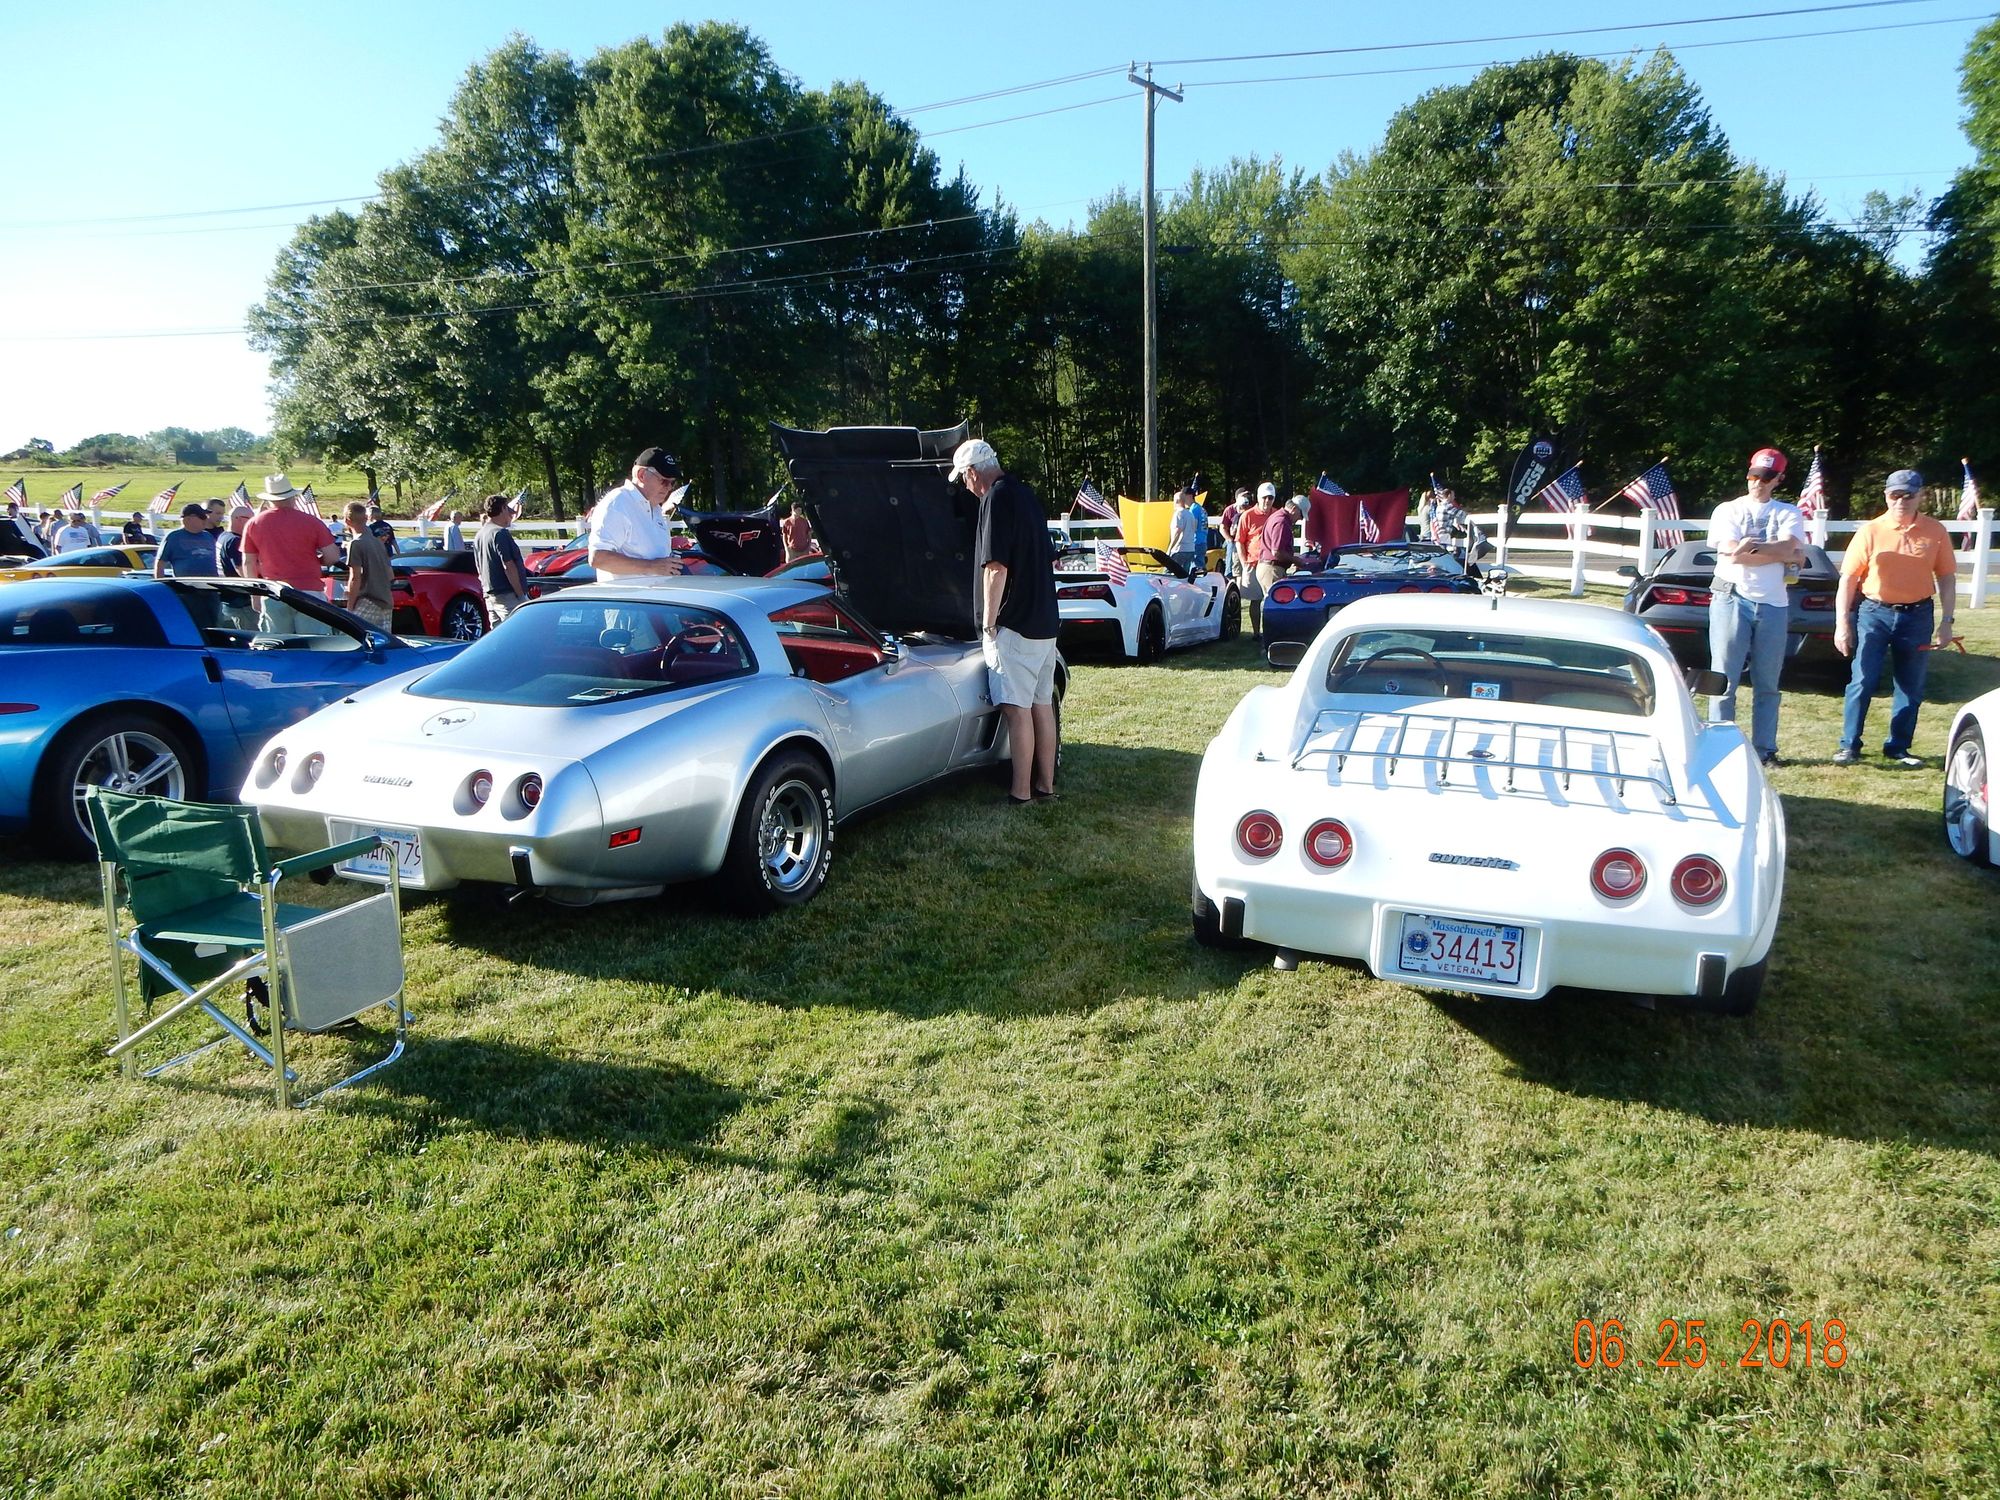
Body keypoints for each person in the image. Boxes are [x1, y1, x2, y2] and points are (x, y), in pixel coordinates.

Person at [954, 437, 1060, 804]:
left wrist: (988, 620)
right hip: (1045, 620)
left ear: (972, 473)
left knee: (1017, 711)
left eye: (964, 479)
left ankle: (1020, 793)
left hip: (1014, 623)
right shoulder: (1026, 495)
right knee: (1041, 705)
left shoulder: (994, 499)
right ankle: (1046, 786)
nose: (966, 487)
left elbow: (995, 568)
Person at [1833, 468, 1957, 768]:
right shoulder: (1870, 531)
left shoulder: (1935, 531)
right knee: (1862, 679)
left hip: (1917, 615)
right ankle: (1849, 746)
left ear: (1920, 496)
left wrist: (1947, 621)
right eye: (1895, 495)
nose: (1901, 501)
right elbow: (1848, 579)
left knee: (1910, 683)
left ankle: (1899, 747)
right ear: (1886, 496)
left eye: (1908, 495)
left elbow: (1947, 577)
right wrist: (1842, 623)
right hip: (1874, 612)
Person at [1707, 447, 1807, 767]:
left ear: (1778, 479)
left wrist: (1758, 549)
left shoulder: (1788, 512)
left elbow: (1793, 548)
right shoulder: (1728, 510)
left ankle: (1765, 750)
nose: (1757, 482)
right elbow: (1731, 552)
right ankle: (1720, 744)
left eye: (1765, 477)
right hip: (1731, 598)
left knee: (1768, 682)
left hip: (1773, 604)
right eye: (1753, 475)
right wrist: (1779, 552)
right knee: (1723, 678)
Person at [241, 473, 340, 635]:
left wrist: (255, 596)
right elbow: (333, 556)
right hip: (310, 591)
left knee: (279, 645)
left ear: (269, 499)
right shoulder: (312, 521)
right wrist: (318, 561)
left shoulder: (253, 524)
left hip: (274, 591)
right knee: (315, 644)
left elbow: (248, 563)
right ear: (293, 497)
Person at [588, 447, 687, 583]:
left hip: (654, 600)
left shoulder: (655, 508)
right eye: (664, 481)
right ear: (641, 475)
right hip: (626, 601)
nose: (669, 488)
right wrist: (652, 567)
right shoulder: (617, 503)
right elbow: (598, 558)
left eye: (672, 483)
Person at [473, 492, 529, 624]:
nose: (511, 515)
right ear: (503, 509)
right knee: (515, 631)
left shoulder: (480, 535)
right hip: (508, 595)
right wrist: (521, 596)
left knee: (497, 637)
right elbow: (508, 566)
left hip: (490, 595)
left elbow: (479, 567)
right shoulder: (500, 533)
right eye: (509, 511)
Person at [339, 500, 394, 630]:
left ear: (347, 520)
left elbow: (355, 578)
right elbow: (390, 575)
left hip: (368, 600)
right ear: (366, 518)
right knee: (381, 644)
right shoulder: (379, 543)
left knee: (349, 636)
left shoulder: (356, 544)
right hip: (386, 601)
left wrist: (350, 607)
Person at [1236, 483, 1280, 640]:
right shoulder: (1247, 516)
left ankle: (1271, 631)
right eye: (1264, 497)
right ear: (1258, 498)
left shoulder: (1277, 514)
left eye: (1271, 497)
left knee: (1272, 600)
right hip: (1253, 563)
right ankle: (1256, 633)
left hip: (1271, 565)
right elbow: (1239, 541)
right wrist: (1244, 562)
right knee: (1255, 600)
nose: (1267, 501)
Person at [152, 502, 218, 578]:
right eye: (202, 517)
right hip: (185, 586)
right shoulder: (173, 537)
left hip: (211, 585)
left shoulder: (208, 536)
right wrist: (161, 585)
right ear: (188, 519)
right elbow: (160, 563)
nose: (206, 519)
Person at [1168, 486, 1199, 572]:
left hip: (1180, 549)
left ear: (1177, 501)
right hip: (1190, 549)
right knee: (1184, 575)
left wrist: (1170, 548)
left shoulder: (1178, 513)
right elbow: (1194, 528)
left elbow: (1178, 531)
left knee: (1168, 573)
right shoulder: (1190, 514)